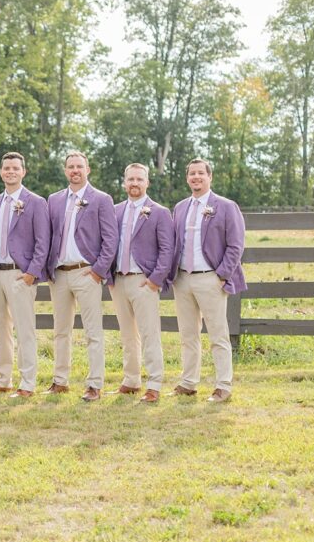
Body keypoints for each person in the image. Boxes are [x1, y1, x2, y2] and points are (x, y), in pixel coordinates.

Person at [170, 158, 246, 403]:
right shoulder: (180, 207)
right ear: (187, 178)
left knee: (217, 334)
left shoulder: (225, 206)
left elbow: (236, 244)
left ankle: (223, 385)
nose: (196, 177)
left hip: (210, 279)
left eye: (201, 173)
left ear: (209, 176)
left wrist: (222, 275)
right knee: (188, 334)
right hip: (182, 279)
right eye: (192, 173)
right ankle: (189, 382)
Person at [45, 151, 118, 402]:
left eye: (79, 166)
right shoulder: (54, 200)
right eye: (70, 167)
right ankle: (60, 380)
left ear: (88, 170)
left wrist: (98, 271)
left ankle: (94, 384)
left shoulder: (101, 199)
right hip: (60, 274)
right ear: (65, 171)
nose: (75, 170)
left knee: (92, 331)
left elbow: (111, 239)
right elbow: (47, 236)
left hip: (87, 273)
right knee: (60, 330)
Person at [107, 164, 174, 404]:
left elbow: (167, 249)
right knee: (127, 334)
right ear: (124, 183)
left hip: (144, 281)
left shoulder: (158, 212)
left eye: (139, 179)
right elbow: (106, 244)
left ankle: (154, 383)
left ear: (147, 183)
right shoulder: (114, 211)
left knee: (149, 333)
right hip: (119, 281)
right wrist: (109, 277)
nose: (134, 183)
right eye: (130, 179)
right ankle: (131, 379)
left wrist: (155, 280)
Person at [0, 152, 50, 398]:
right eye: (6, 168)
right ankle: (4, 379)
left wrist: (31, 273)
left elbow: (43, 241)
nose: (10, 171)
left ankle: (28, 382)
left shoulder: (35, 202)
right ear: (1, 172)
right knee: (0, 329)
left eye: (15, 168)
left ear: (23, 172)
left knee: (25, 330)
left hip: (20, 274)